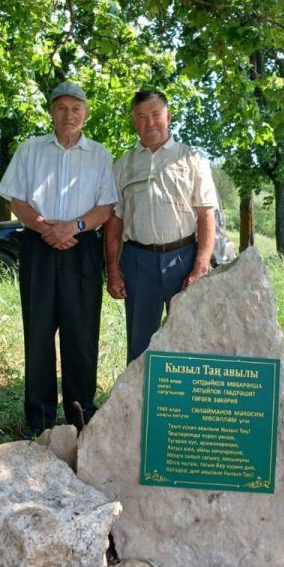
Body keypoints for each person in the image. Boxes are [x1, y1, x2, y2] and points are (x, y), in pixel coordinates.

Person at [0, 82, 117, 437]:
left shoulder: (100, 155)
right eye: (61, 108)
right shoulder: (31, 150)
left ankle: (81, 417)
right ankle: (40, 420)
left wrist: (73, 228)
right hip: (38, 244)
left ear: (86, 114)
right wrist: (43, 227)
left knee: (80, 334)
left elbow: (107, 207)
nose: (69, 115)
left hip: (81, 250)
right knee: (38, 332)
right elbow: (16, 199)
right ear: (51, 112)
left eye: (76, 108)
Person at [104, 89, 217, 363]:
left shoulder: (192, 158)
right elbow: (114, 221)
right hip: (138, 260)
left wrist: (201, 265)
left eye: (155, 115)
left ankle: (185, 403)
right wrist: (113, 270)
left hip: (183, 257)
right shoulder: (123, 164)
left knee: (189, 338)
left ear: (168, 116)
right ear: (134, 122)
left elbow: (206, 214)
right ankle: (141, 402)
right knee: (141, 344)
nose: (149, 122)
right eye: (141, 117)